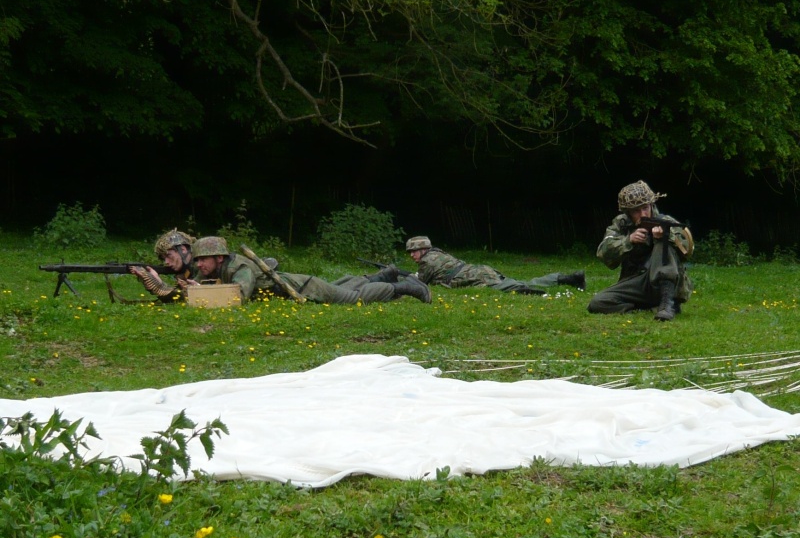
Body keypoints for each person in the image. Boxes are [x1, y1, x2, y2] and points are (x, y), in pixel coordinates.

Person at [189, 236, 432, 304]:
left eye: (203, 260)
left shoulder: (239, 267)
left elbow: (237, 296)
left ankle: (405, 288)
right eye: (197, 261)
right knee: (342, 287)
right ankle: (384, 275)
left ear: (219, 257)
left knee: (352, 298)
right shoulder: (213, 270)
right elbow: (197, 285)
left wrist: (203, 294)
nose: (199, 266)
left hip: (305, 287)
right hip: (302, 284)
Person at [587, 180, 694, 321]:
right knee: (597, 303)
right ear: (628, 212)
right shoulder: (621, 224)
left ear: (651, 205)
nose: (643, 214)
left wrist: (664, 237)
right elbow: (603, 252)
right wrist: (628, 241)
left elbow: (687, 250)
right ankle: (643, 308)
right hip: (636, 282)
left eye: (645, 208)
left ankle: (667, 304)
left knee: (663, 243)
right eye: (636, 211)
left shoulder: (665, 221)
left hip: (666, 283)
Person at [403, 236, 585, 294]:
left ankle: (527, 291)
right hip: (477, 270)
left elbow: (420, 283)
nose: (412, 255)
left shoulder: (427, 261)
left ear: (424, 250)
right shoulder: (437, 254)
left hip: (472, 276)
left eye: (414, 252)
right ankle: (564, 278)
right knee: (522, 280)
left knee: (510, 286)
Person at [129, 229, 198, 302]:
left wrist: (158, 285)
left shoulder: (200, 266)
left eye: (168, 255)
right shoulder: (187, 270)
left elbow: (192, 298)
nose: (166, 262)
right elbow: (175, 298)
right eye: (164, 258)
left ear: (183, 250)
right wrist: (154, 282)